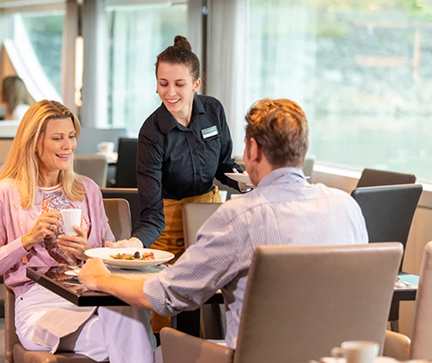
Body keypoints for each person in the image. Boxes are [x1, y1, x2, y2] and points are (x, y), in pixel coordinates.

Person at [78, 98, 369, 352]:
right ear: (303, 148)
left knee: (156, 351)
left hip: (258, 356)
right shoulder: (346, 207)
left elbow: (166, 296)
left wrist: (100, 278)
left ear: (253, 149)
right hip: (343, 356)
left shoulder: (240, 216)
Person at [0, 100, 156, 363]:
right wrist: (26, 241)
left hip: (92, 296)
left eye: (71, 136)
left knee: (127, 317)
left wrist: (88, 251)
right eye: (58, 138)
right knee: (136, 339)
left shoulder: (87, 189)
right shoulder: (4, 193)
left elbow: (113, 261)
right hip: (40, 306)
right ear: (35, 143)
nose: (68, 145)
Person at [108, 35, 245, 333]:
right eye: (163, 83)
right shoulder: (152, 133)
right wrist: (135, 243)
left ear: (196, 84)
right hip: (166, 223)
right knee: (164, 304)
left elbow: (223, 165)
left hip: (208, 217)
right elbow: (152, 211)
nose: (169, 92)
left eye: (179, 84)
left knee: (213, 297)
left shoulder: (214, 111)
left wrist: (244, 179)